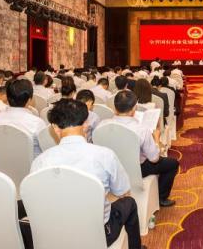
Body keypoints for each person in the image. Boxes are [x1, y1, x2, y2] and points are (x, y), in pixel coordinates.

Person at [30, 99, 144, 249]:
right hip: (99, 236)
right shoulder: (105, 155)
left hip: (56, 236)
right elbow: (123, 192)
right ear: (85, 124)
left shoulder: (40, 162)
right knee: (129, 203)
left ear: (55, 128)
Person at [99, 91, 179, 207]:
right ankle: (161, 197)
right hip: (136, 169)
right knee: (172, 164)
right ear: (134, 109)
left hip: (109, 169)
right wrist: (156, 140)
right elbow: (154, 159)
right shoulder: (141, 129)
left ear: (115, 107)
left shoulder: (101, 125)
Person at [0, 79, 46, 158]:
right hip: (32, 165)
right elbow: (46, 149)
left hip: (1, 164)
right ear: (29, 100)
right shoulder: (37, 123)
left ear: (7, 98)